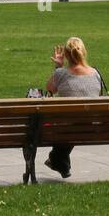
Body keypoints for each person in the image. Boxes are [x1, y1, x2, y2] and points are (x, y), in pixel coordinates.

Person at [43, 37, 103, 178]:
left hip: (65, 127)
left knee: (67, 124)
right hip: (91, 127)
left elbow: (50, 89)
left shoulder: (62, 73)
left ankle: (57, 160)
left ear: (67, 55)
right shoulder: (96, 73)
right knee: (77, 122)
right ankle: (59, 162)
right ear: (84, 52)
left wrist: (58, 66)